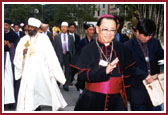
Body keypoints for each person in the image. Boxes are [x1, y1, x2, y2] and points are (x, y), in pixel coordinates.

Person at [72, 14, 150, 111]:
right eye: (105, 29)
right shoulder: (87, 49)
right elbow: (82, 75)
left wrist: (145, 75)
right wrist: (104, 71)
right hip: (92, 100)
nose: (109, 33)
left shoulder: (122, 49)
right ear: (97, 29)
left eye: (112, 30)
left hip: (117, 101)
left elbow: (131, 70)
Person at [14, 17, 67, 111]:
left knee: (44, 89)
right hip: (28, 71)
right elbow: (17, 54)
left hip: (42, 71)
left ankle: (38, 106)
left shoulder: (44, 39)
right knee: (28, 92)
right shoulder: (23, 39)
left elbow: (51, 55)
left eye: (32, 27)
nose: (30, 29)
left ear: (37, 28)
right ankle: (31, 108)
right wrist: (23, 52)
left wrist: (55, 72)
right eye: (29, 27)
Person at [124, 19, 164, 111]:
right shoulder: (127, 46)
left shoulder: (155, 42)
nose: (148, 38)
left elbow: (161, 56)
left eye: (150, 35)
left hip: (155, 88)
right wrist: (144, 75)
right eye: (145, 35)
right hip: (138, 91)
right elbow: (128, 67)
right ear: (137, 32)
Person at [53, 22, 75, 91]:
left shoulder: (70, 37)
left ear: (67, 28)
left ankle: (66, 84)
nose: (63, 28)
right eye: (62, 27)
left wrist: (73, 56)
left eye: (65, 27)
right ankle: (58, 83)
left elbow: (73, 47)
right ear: (61, 28)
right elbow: (54, 47)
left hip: (68, 54)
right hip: (60, 54)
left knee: (68, 70)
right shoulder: (57, 36)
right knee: (59, 69)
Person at [4, 18, 18, 110]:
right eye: (3, 24)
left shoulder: (14, 35)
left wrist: (10, 46)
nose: (4, 26)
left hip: (9, 59)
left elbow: (17, 47)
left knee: (9, 79)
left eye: (6, 25)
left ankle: (10, 100)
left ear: (9, 26)